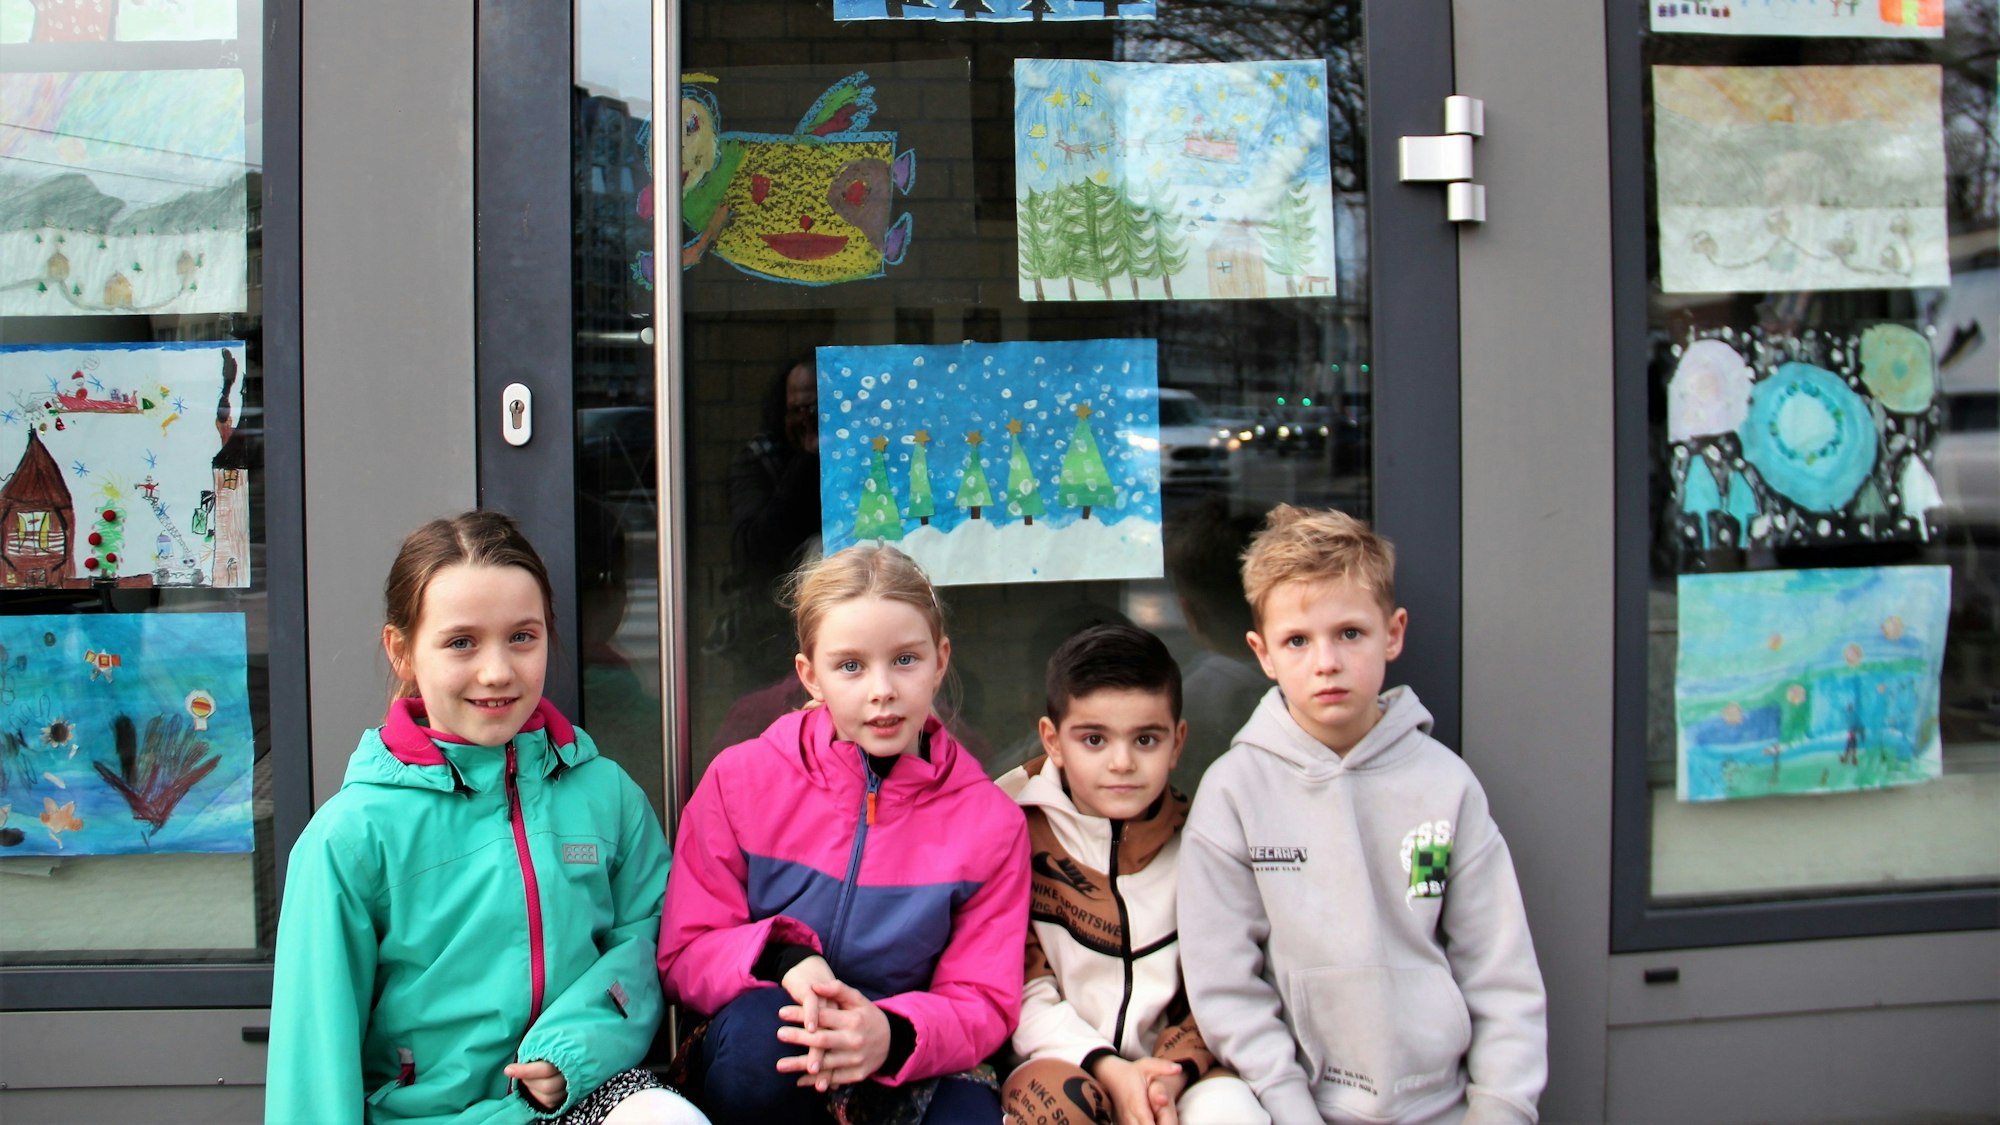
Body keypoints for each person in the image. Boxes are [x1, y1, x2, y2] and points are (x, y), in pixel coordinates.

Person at [266, 511, 705, 1125]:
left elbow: (652, 938)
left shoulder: (606, 795)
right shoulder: (348, 839)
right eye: (461, 642)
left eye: (522, 637)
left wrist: (575, 1049)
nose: (497, 671)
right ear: (402, 651)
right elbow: (312, 1052)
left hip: (579, 1095)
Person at [1178, 505, 1547, 1125]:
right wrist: (1292, 1108)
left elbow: (1500, 971)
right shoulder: (1235, 793)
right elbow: (1227, 986)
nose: (1326, 661)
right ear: (1262, 652)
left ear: (1393, 633)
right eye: (1298, 640)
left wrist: (1501, 1109)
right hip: (1300, 1107)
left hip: (1447, 1106)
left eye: (1350, 633)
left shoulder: (1445, 786)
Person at [659, 543, 1031, 1125]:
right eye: (851, 666)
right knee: (763, 1053)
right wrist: (785, 963)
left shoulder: (991, 823)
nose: (881, 689)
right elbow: (686, 951)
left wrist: (890, 1033)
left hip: (906, 1047)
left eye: (905, 660)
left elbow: (983, 998)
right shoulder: (740, 781)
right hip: (777, 1023)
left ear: (941, 660)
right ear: (810, 675)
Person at [996, 623, 1269, 1125]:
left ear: (1177, 741)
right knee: (1061, 1110)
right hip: (1058, 1060)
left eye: (1145, 738)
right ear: (1053, 741)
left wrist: (1169, 1074)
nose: (1121, 763)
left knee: (1235, 1115)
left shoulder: (1205, 842)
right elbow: (1021, 988)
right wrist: (1108, 1070)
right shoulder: (1011, 833)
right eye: (1094, 739)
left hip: (1178, 1070)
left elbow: (1223, 987)